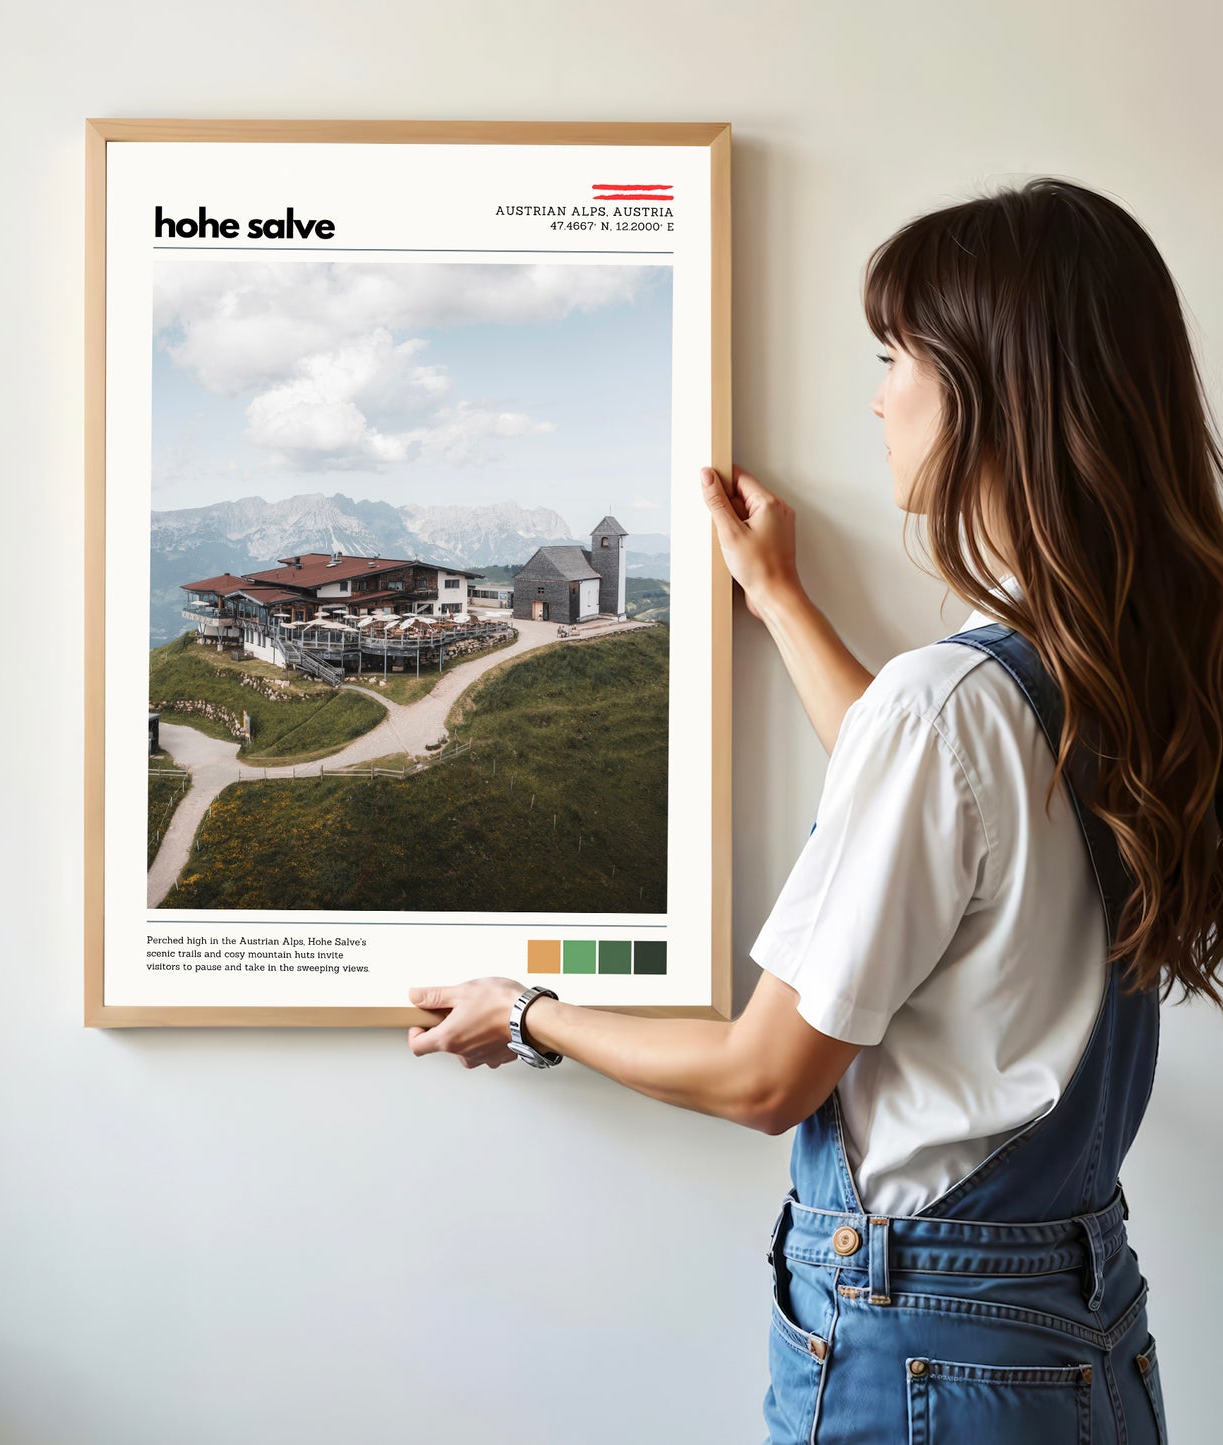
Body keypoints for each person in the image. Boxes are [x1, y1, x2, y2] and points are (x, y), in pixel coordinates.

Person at [406, 176, 1223, 1443]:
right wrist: (779, 597)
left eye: (896, 355)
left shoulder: (951, 702)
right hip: (1074, 1325)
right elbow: (945, 822)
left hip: (925, 1349)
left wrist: (525, 1011)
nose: (877, 392)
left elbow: (762, 1075)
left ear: (991, 392)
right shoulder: (1116, 663)